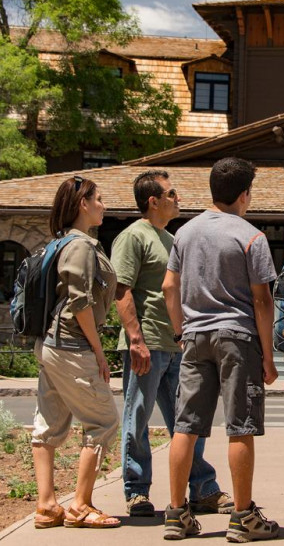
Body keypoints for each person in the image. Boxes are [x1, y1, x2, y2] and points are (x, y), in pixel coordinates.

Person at [162, 157, 280, 541]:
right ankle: (243, 517)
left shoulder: (185, 233)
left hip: (194, 337)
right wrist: (268, 355)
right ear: (245, 194)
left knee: (186, 427)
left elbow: (168, 286)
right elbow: (262, 301)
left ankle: (176, 513)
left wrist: (181, 332)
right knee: (240, 427)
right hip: (237, 338)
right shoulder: (251, 237)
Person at [112, 170, 231, 517]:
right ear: (153, 201)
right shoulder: (134, 237)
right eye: (171, 192)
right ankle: (136, 491)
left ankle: (202, 489)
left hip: (176, 345)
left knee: (189, 421)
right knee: (137, 418)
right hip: (146, 344)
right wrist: (136, 339)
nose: (178, 197)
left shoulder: (169, 237)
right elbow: (121, 289)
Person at [31, 175, 121, 529]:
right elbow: (80, 302)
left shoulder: (61, 242)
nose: (103, 205)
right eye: (98, 199)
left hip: (51, 344)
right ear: (83, 205)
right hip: (72, 344)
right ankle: (81, 505)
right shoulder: (81, 246)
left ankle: (47, 506)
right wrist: (99, 352)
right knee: (104, 422)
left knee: (48, 426)